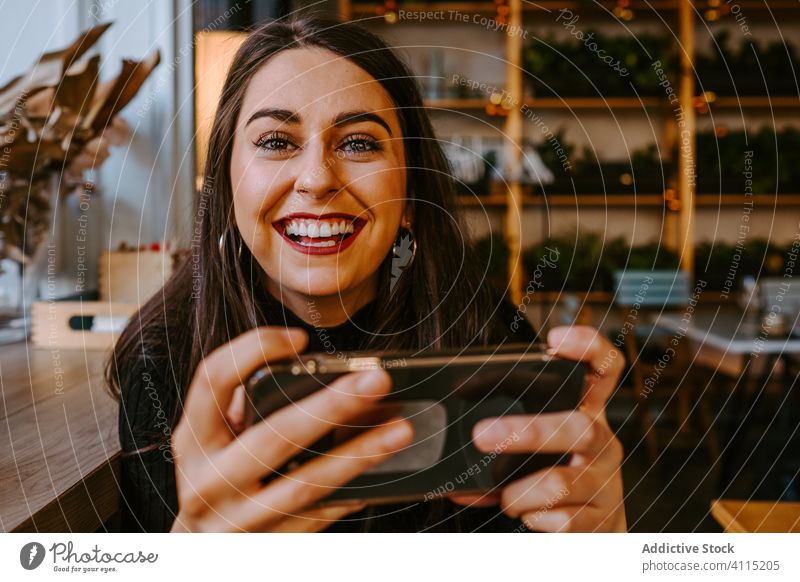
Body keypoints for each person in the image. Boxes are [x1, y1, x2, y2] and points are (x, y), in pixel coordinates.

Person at [106, 16, 626, 533]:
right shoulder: (165, 360)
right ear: (225, 184)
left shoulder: (488, 335)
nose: (315, 179)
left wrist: (603, 542)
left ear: (408, 196)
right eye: (276, 141)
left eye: (358, 143)